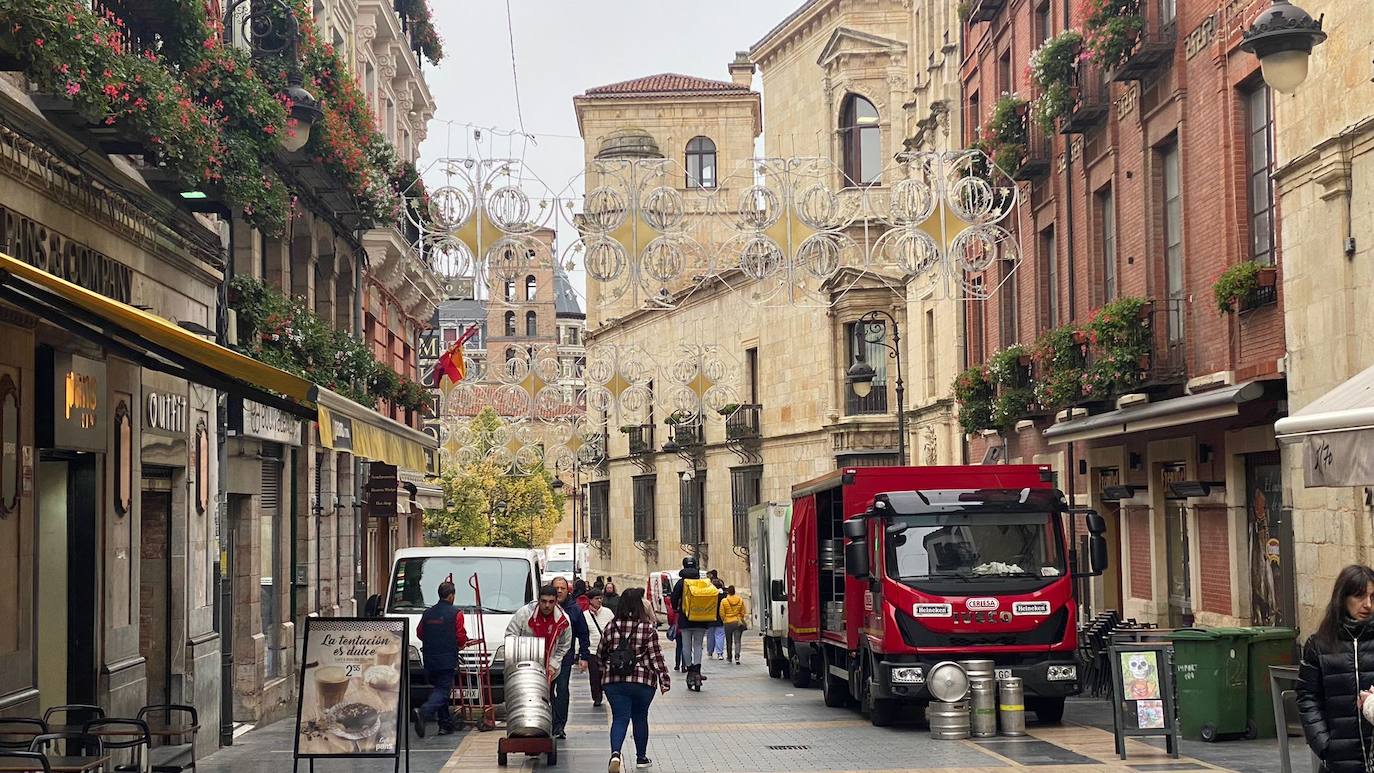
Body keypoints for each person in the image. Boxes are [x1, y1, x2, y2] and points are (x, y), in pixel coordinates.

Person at [1298, 564, 1374, 773]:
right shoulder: (1319, 644)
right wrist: (1324, 745)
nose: (1368, 604)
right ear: (1343, 598)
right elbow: (1307, 697)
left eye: (1373, 597)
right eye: (1360, 596)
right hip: (1339, 761)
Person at [599, 587, 670, 772]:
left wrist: (603, 672)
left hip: (614, 681)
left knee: (620, 718)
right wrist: (664, 680)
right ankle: (641, 758)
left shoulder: (610, 627)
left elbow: (601, 654)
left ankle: (615, 754)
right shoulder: (647, 629)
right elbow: (657, 657)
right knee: (640, 717)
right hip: (642, 682)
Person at [412, 580, 470, 737]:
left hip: (430, 659)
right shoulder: (455, 614)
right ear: (451, 596)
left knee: (438, 689)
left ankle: (445, 724)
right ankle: (423, 712)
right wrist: (462, 643)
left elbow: (420, 633)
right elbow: (460, 636)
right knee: (443, 691)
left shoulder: (428, 613)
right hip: (446, 659)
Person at [670, 556, 721, 690]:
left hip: (685, 619)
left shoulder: (681, 583)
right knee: (698, 645)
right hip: (701, 618)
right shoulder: (701, 582)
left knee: (686, 645)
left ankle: (690, 669)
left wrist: (676, 608)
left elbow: (673, 598)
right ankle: (697, 670)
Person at [549, 575, 590, 738]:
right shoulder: (544, 607)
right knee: (547, 691)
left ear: (568, 590)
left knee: (563, 690)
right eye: (556, 588)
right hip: (545, 658)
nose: (559, 591)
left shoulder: (574, 609)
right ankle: (550, 721)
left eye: (563, 588)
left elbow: (583, 633)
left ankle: (560, 725)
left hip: (565, 658)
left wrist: (584, 656)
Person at [506, 585, 573, 678]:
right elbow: (510, 636)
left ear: (556, 601)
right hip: (524, 669)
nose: (547, 605)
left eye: (551, 602)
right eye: (544, 601)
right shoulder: (524, 613)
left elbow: (564, 646)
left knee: (548, 692)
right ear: (538, 600)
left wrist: (553, 664)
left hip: (549, 669)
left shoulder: (563, 621)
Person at [584, 589, 616, 708]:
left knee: (607, 674)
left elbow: (614, 627)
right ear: (590, 600)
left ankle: (609, 694)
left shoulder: (608, 612)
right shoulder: (585, 615)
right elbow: (583, 634)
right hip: (592, 650)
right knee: (594, 676)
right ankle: (597, 697)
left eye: (600, 598)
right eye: (596, 598)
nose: (599, 600)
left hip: (607, 650)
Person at [721, 585, 747, 665]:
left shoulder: (724, 601)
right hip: (738, 622)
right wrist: (740, 617)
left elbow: (721, 612)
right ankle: (737, 657)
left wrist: (724, 619)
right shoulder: (740, 599)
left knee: (729, 641)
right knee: (737, 641)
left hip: (728, 622)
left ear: (728, 592)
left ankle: (729, 657)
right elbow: (743, 611)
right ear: (734, 591)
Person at [706, 577, 726, 661]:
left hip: (710, 618)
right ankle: (720, 653)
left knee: (710, 636)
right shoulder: (724, 595)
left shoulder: (708, 595)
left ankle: (710, 652)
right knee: (720, 635)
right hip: (720, 618)